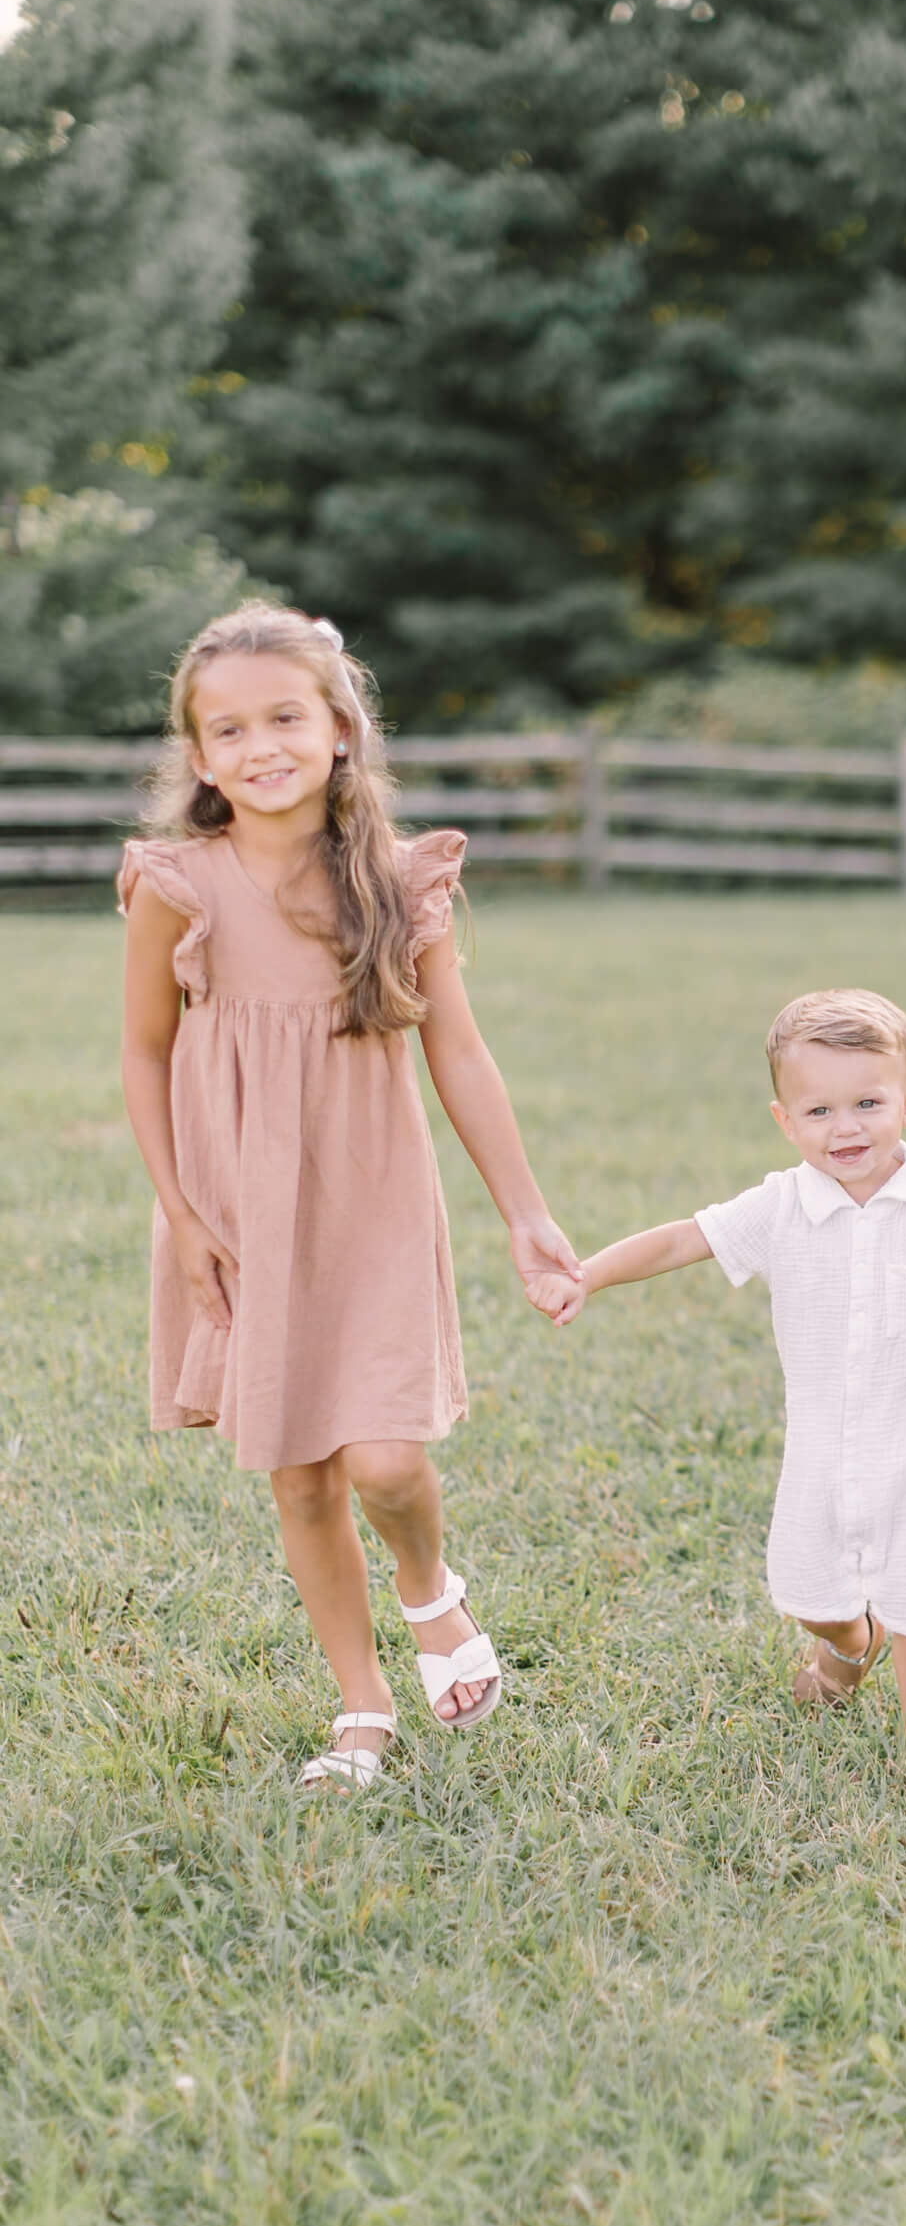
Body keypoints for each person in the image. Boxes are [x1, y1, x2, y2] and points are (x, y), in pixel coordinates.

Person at [119, 601, 579, 1793]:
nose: (259, 745)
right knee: (300, 1469)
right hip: (238, 1209)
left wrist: (525, 1212)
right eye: (228, 728)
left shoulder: (395, 879)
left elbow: (460, 1056)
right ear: (202, 759)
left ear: (339, 728)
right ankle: (360, 1707)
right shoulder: (179, 884)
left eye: (284, 715)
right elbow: (144, 1053)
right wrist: (180, 1214)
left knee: (380, 1460)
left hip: (371, 1197)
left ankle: (431, 1592)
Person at [539, 989, 906, 1777]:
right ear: (784, 1120)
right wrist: (589, 1275)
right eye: (819, 1111)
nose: (845, 1128)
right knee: (807, 1589)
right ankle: (850, 1642)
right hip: (819, 1450)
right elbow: (681, 1240)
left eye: (868, 1103)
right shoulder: (781, 1205)